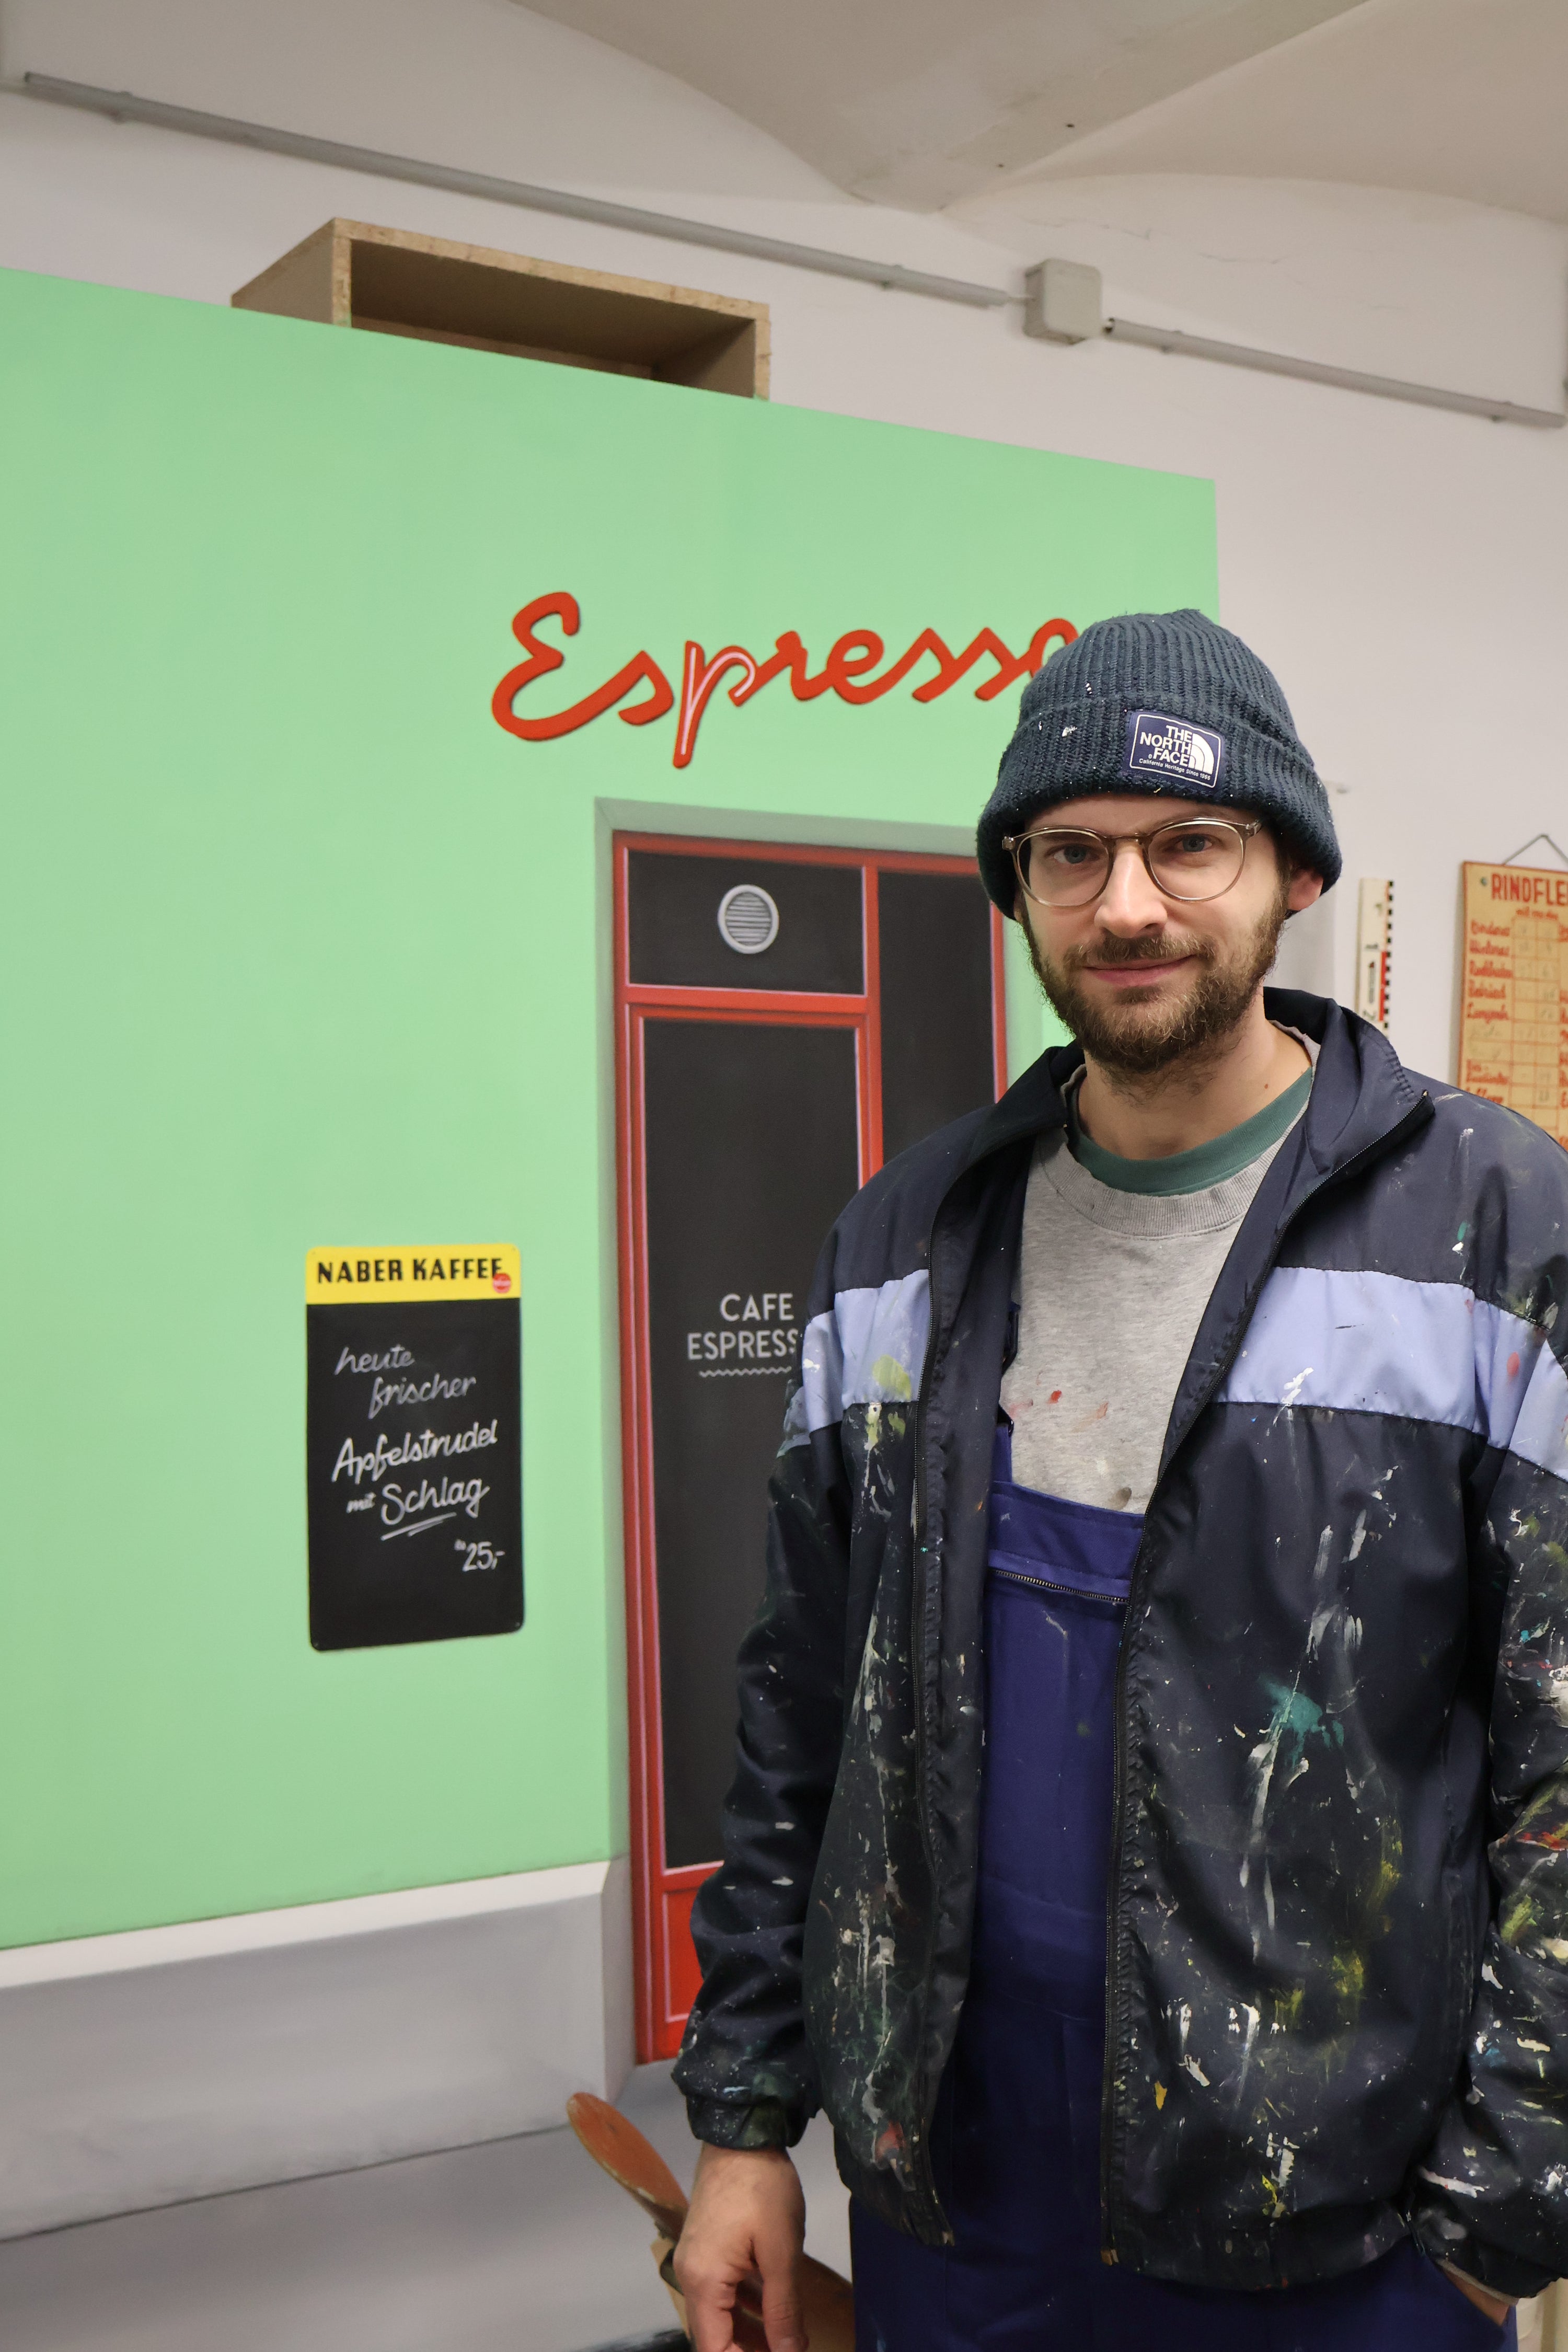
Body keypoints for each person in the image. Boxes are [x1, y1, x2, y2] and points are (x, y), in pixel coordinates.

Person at [671, 610, 1568, 2350]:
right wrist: (744, 2121)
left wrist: (1497, 2211)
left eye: (1189, 843)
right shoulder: (905, 1240)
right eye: (1070, 853)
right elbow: (799, 1714)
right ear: (1018, 890)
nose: (1128, 903)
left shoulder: (1494, 1231)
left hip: (1345, 2231)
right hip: (959, 2199)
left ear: (1294, 870)